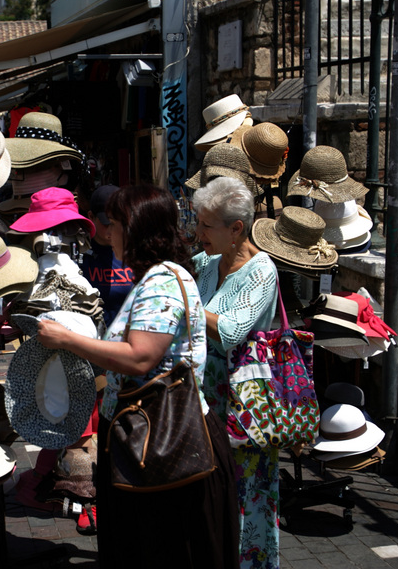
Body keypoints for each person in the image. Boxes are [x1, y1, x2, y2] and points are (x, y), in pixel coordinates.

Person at [37, 184, 239, 569]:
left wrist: (67, 338)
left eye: (114, 224)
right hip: (150, 435)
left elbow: (139, 357)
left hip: (161, 439)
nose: (108, 233)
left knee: (162, 550)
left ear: (136, 229)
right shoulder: (157, 276)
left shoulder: (161, 281)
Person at [191, 177, 279, 569]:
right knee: (213, 493)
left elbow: (229, 332)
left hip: (244, 405)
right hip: (207, 401)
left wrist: (184, 301)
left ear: (236, 229)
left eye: (206, 225)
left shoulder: (262, 272)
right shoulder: (208, 263)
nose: (198, 233)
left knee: (247, 495)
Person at [80, 184, 133, 326]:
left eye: (117, 223)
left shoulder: (134, 253)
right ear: (91, 216)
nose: (111, 231)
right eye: (107, 223)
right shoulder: (80, 254)